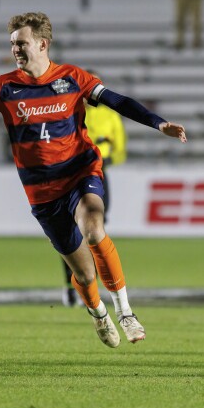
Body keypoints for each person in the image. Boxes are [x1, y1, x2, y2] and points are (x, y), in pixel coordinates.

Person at [0, 12, 187, 348]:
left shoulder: (72, 77)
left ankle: (125, 311)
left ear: (42, 44)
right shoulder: (5, 87)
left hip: (80, 171)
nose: (15, 49)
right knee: (84, 275)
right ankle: (97, 312)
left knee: (94, 227)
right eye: (12, 44)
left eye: (21, 43)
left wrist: (158, 123)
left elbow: (117, 101)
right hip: (43, 193)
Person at [60, 69, 128, 307]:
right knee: (69, 234)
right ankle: (71, 285)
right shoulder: (67, 111)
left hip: (97, 174)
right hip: (69, 175)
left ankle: (92, 285)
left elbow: (119, 150)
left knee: (95, 231)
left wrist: (103, 158)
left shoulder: (110, 116)